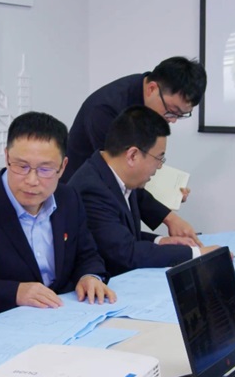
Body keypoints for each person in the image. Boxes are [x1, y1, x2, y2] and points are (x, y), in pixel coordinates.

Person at [0, 112, 114, 322]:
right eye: (22, 166)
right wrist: (15, 292)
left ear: (62, 167)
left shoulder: (69, 198)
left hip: (62, 320)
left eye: (45, 169)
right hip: (0, 327)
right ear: (7, 157)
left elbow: (87, 254)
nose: (32, 180)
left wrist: (90, 276)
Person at [63, 56, 207, 243]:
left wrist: (169, 194)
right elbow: (120, 175)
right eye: (171, 111)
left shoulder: (146, 96)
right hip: (84, 202)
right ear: (152, 89)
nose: (172, 120)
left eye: (181, 115)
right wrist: (169, 218)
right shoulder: (105, 110)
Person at [69, 105, 220, 276]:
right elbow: (125, 253)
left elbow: (121, 235)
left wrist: (161, 241)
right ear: (132, 156)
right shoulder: (92, 190)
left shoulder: (120, 175)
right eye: (159, 158)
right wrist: (196, 254)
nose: (159, 167)